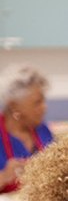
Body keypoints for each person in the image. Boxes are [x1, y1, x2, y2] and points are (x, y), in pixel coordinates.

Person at [0, 64, 54, 193]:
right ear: (14, 106)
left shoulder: (43, 130)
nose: (44, 107)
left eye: (43, 101)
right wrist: (4, 177)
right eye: (37, 102)